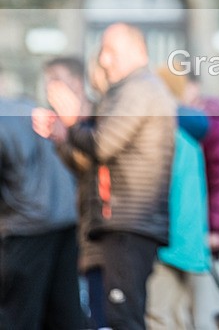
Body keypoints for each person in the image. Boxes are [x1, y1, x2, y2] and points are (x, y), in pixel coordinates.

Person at [35, 22, 176, 330]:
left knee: (122, 320)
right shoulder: (125, 91)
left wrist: (73, 122)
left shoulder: (140, 88)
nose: (104, 60)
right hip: (112, 225)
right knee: (107, 320)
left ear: (138, 51)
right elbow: (89, 166)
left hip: (128, 223)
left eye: (111, 51)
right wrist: (63, 138)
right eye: (102, 52)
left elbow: (102, 143)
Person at [1, 97, 85, 330]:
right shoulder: (28, 108)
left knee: (18, 316)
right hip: (64, 220)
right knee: (64, 312)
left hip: (26, 228)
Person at [42, 56, 108, 328]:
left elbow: (92, 164)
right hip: (69, 230)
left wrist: (68, 130)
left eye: (56, 81)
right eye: (48, 83)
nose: (51, 89)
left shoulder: (98, 118)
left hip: (102, 234)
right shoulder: (60, 122)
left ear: (77, 83)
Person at [146, 68, 213, 330]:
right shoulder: (191, 141)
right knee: (179, 317)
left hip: (164, 244)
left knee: (158, 316)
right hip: (189, 243)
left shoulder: (165, 136)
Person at [181, 74, 219, 322]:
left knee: (207, 315)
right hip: (199, 238)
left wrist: (214, 229)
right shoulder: (196, 123)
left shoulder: (212, 124)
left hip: (212, 241)